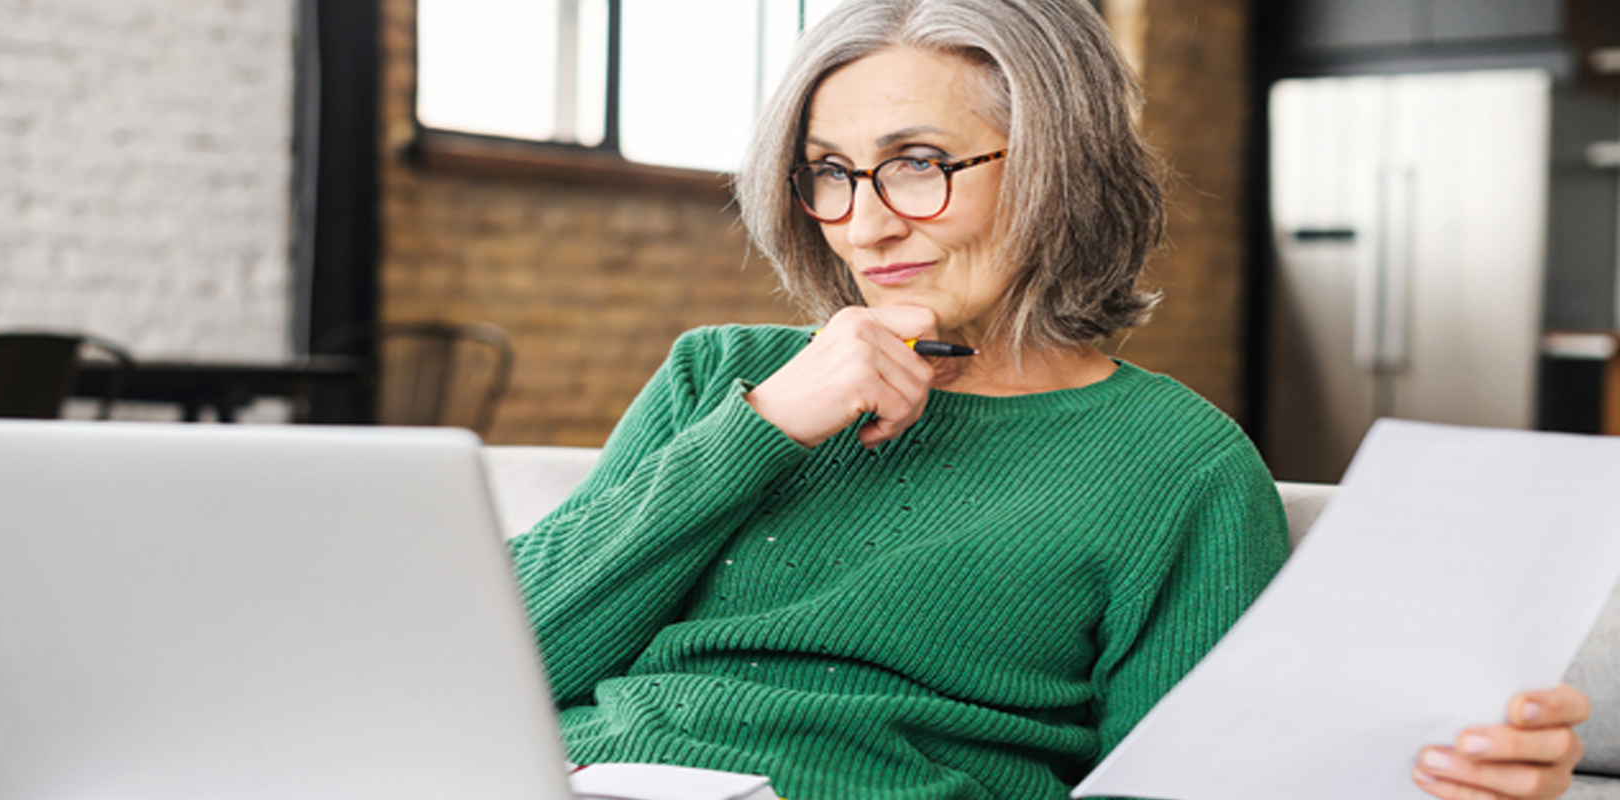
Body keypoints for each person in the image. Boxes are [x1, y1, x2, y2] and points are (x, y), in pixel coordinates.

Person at [508, 1, 1591, 798]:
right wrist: (762, 428)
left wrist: (1434, 778)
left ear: (1055, 170)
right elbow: (502, 659)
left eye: (916, 163)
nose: (864, 222)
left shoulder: (1174, 464)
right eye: (827, 171)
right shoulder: (725, 380)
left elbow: (1192, 779)